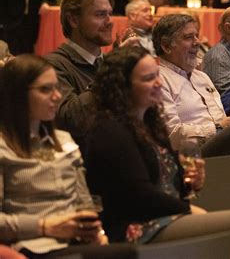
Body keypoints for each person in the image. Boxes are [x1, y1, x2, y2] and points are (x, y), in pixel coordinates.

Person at [84, 47, 230, 256]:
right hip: (136, 228)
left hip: (165, 217)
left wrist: (189, 183)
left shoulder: (150, 123)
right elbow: (140, 196)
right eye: (148, 78)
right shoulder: (110, 131)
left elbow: (168, 185)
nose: (159, 83)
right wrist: (189, 210)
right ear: (122, 87)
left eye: (157, 75)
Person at [0, 55, 137, 258]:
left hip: (75, 241)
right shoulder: (4, 146)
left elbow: (84, 202)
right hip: (32, 245)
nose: (57, 96)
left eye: (57, 88)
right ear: (17, 95)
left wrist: (96, 233)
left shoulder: (64, 140)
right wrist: (44, 226)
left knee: (126, 250)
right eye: (45, 89)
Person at [155, 14, 230, 157]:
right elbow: (171, 134)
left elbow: (222, 119)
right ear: (166, 46)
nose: (197, 42)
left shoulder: (202, 77)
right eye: (188, 37)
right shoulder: (158, 79)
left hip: (220, 149)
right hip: (187, 157)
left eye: (197, 36)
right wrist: (218, 128)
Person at [44, 0, 111, 151]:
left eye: (109, 14)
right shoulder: (53, 65)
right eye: (100, 15)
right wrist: (111, 70)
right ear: (73, 19)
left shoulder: (106, 64)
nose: (109, 22)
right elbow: (71, 120)